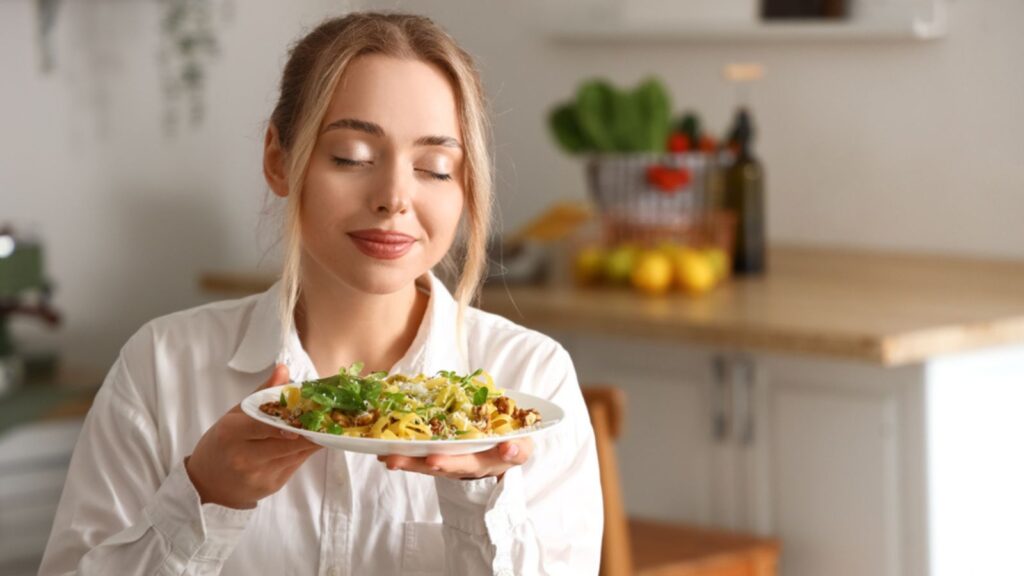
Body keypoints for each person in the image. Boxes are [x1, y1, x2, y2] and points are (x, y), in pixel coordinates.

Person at [38, 11, 602, 576]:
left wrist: (482, 496)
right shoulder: (160, 367)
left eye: (434, 168)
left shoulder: (531, 382)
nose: (393, 198)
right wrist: (203, 497)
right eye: (351, 158)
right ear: (279, 160)